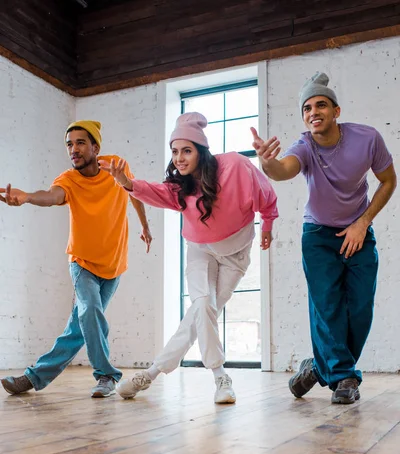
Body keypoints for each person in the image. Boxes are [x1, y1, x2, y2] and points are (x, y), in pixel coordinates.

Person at [101, 112, 278, 403]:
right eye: (174, 151)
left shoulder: (235, 166)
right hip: (200, 250)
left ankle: (153, 372)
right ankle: (221, 377)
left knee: (199, 315)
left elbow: (267, 197)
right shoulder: (179, 187)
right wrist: (125, 181)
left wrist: (268, 227)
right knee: (203, 306)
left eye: (186, 150)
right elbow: (153, 191)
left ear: (201, 151)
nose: (179, 158)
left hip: (236, 254)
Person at [252, 72, 396, 404]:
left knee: (360, 309)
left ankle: (318, 369)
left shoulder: (367, 139)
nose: (313, 112)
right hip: (317, 236)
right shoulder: (304, 146)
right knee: (327, 307)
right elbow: (283, 169)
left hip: (359, 231)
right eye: (306, 108)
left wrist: (364, 222)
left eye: (320, 105)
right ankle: (344, 378)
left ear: (336, 111)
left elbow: (389, 181)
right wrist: (266, 162)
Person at [0, 120, 152, 398]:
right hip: (81, 262)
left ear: (95, 147)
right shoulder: (68, 180)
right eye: (69, 144)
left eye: (80, 142)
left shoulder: (116, 166)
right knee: (89, 310)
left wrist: (145, 225)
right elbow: (51, 195)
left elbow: (134, 192)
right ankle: (107, 375)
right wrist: (27, 198)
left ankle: (34, 377)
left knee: (81, 325)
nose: (73, 149)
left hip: (114, 263)